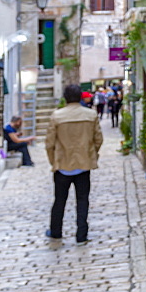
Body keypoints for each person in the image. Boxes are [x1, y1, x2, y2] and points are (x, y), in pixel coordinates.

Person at [45, 84, 103, 244]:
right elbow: (98, 139)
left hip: (63, 164)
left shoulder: (57, 116)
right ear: (80, 97)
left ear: (65, 97)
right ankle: (81, 234)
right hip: (83, 164)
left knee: (59, 200)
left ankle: (56, 231)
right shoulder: (90, 115)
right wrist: (91, 154)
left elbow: (49, 143)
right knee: (83, 200)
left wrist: (53, 160)